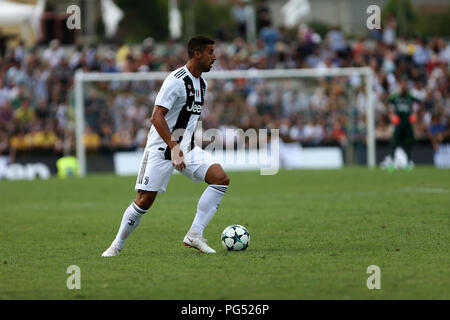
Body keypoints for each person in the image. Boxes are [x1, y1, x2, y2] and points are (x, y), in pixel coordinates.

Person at [102, 36, 229, 256]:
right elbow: (156, 116)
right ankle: (116, 246)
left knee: (220, 179)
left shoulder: (202, 83)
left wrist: (183, 147)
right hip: (162, 150)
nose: (214, 57)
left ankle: (194, 235)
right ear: (197, 54)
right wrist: (173, 147)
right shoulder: (176, 80)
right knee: (144, 201)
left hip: (187, 149)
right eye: (210, 52)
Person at [386, 77, 420, 171]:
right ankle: (391, 164)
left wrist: (415, 114)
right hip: (398, 124)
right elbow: (387, 102)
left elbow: (419, 102)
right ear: (400, 86)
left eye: (405, 85)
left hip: (408, 124)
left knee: (408, 143)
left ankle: (409, 163)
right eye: (402, 85)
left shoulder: (410, 97)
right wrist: (391, 115)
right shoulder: (395, 97)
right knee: (394, 143)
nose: (403, 87)